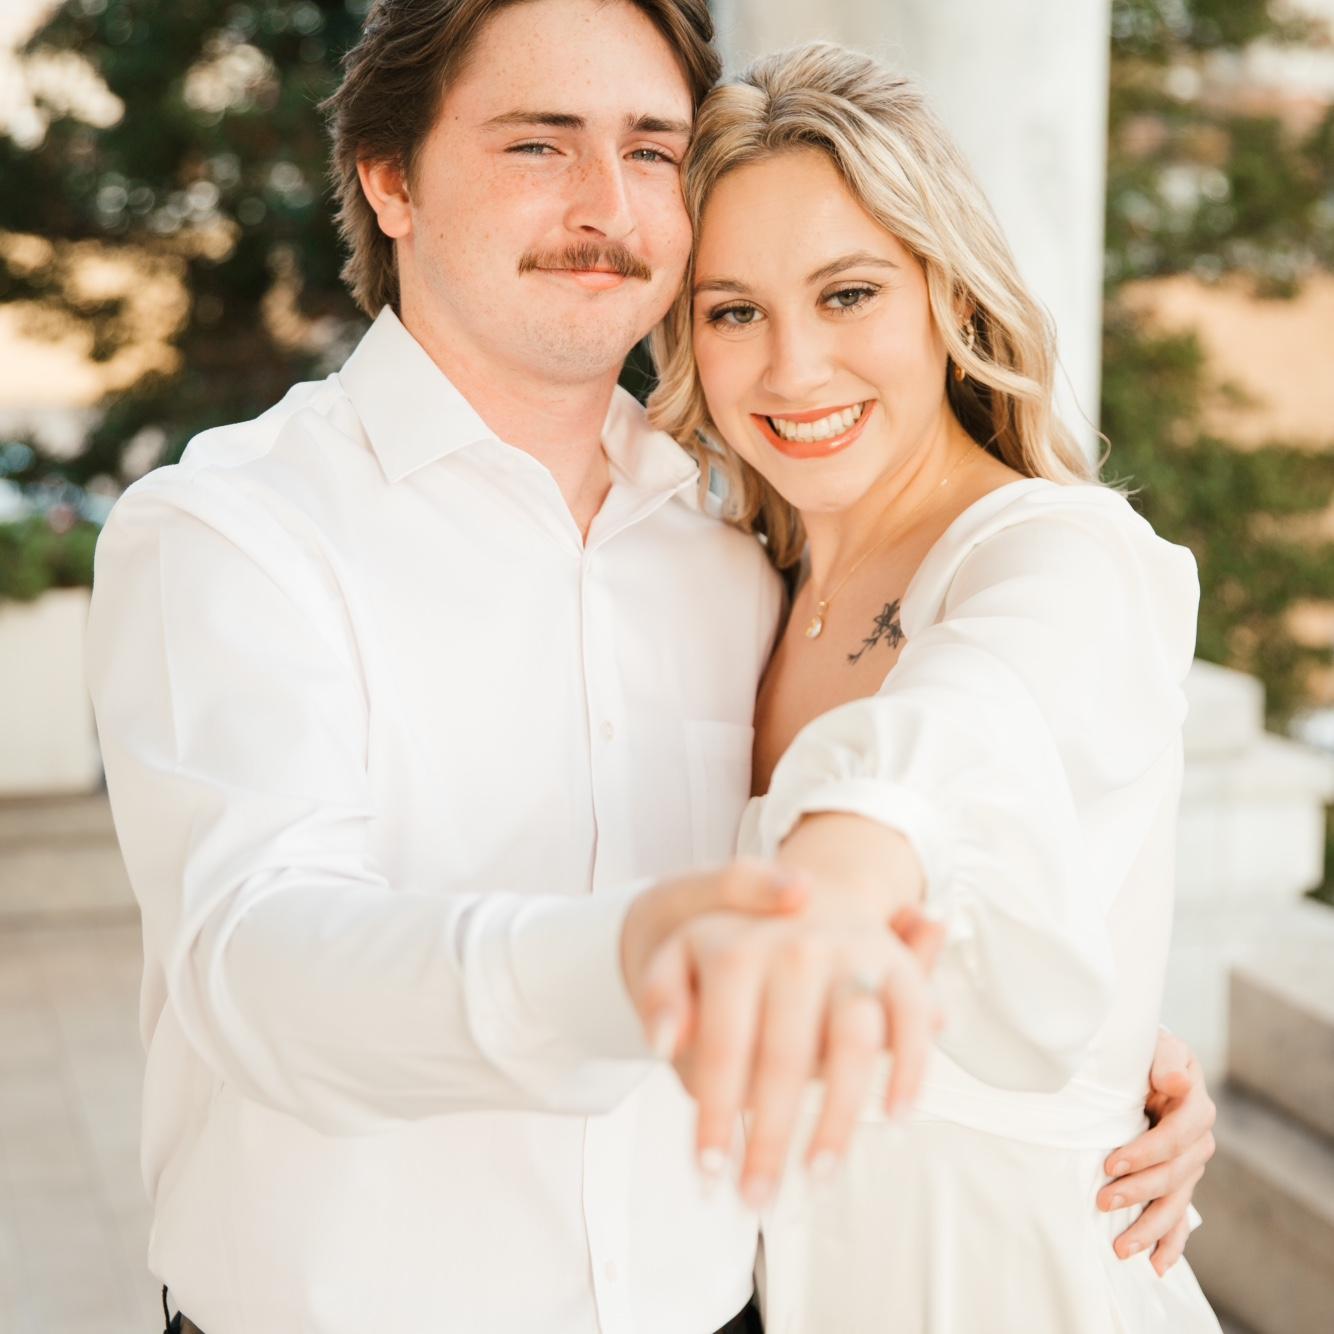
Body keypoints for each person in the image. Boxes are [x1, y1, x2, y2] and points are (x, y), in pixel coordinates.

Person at [83, 4, 1213, 1331]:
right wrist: (638, 959)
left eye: (650, 150)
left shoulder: (731, 550)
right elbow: (258, 967)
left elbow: (968, 744)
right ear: (389, 180)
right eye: (537, 144)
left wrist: (1085, 1054)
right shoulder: (234, 531)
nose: (604, 205)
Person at [646, 41, 1223, 1332]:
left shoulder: (1060, 554)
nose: (792, 368)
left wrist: (849, 872)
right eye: (733, 311)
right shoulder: (741, 581)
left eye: (847, 293)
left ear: (944, 291)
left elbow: (972, 728)